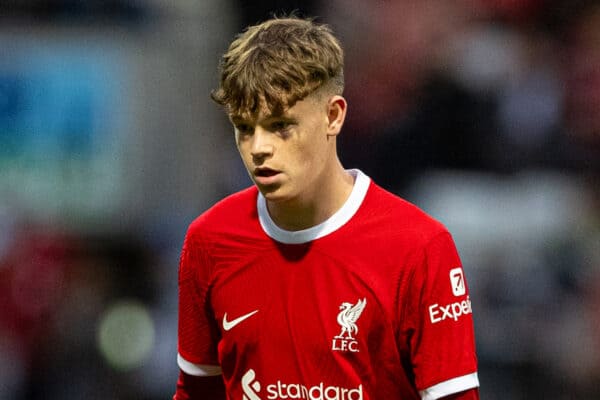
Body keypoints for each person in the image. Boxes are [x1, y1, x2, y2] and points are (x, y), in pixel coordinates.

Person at [174, 15, 480, 400]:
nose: (258, 148)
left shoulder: (419, 248)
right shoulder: (209, 241)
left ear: (333, 116)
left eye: (281, 125)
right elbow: (197, 392)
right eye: (245, 128)